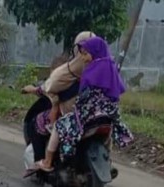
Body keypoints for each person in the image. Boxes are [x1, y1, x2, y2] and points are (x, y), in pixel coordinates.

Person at [35, 36, 133, 172]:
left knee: (58, 126)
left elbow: (83, 96)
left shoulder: (90, 70)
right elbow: (120, 90)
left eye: (85, 54)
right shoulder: (112, 67)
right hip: (109, 116)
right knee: (107, 136)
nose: (83, 57)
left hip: (88, 117)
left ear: (95, 52)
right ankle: (107, 162)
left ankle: (47, 161)